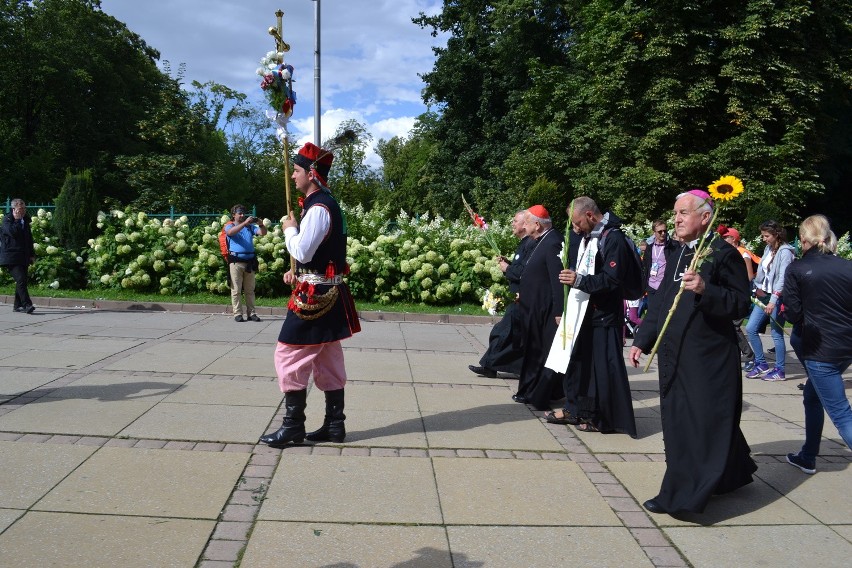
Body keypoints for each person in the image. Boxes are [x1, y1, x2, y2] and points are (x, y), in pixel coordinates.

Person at [630, 189, 756, 515]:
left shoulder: (722, 254)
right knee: (681, 421)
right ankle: (730, 473)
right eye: (675, 213)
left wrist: (705, 289)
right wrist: (642, 340)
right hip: (675, 354)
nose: (676, 218)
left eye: (684, 212)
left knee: (696, 425)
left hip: (708, 358)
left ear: (705, 217)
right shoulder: (679, 252)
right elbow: (660, 302)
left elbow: (740, 303)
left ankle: (683, 495)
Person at [259, 142, 361, 447]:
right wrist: (300, 271)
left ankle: (293, 426)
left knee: (288, 352)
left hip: (316, 296)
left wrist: (290, 229)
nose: (292, 176)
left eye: (297, 170)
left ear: (312, 174)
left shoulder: (318, 208)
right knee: (328, 357)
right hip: (327, 289)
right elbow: (317, 256)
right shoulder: (327, 204)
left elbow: (303, 248)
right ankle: (334, 425)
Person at [546, 197, 637, 437]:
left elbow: (612, 279)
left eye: (577, 223)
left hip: (604, 314)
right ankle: (577, 409)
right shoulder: (590, 236)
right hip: (585, 310)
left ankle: (605, 418)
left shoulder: (612, 237)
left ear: (589, 215)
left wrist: (579, 280)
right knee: (579, 363)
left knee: (602, 370)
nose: (575, 228)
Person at [782, 215, 852, 474]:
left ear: (803, 240)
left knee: (842, 413)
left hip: (819, 349)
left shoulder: (798, 269)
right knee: (812, 396)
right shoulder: (847, 266)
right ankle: (808, 455)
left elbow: (793, 315)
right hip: (845, 347)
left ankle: (808, 455)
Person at [468, 210, 533, 378]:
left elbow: (525, 272)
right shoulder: (524, 244)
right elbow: (520, 268)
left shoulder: (530, 244)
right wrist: (509, 264)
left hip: (523, 298)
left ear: (525, 225)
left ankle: (491, 366)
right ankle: (496, 366)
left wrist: (508, 269)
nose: (512, 223)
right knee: (514, 337)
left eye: (515, 221)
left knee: (502, 332)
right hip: (519, 298)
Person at [512, 205, 564, 410]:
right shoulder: (540, 240)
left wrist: (559, 311)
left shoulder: (552, 242)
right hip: (533, 307)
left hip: (546, 310)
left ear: (537, 224)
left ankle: (537, 393)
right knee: (533, 352)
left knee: (542, 355)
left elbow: (557, 280)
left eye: (526, 222)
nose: (524, 226)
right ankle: (529, 391)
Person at [744, 220, 795, 381]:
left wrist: (774, 300)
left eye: (766, 235)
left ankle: (780, 370)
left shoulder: (785, 252)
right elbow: (762, 271)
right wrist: (756, 287)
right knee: (751, 328)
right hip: (764, 294)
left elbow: (782, 278)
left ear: (776, 235)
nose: (764, 238)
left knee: (776, 333)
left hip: (777, 297)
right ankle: (761, 364)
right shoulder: (768, 248)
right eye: (763, 235)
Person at [721, 227, 757, 369]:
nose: (723, 240)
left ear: (734, 239)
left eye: (726, 237)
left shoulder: (743, 254)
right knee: (728, 325)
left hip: (740, 295)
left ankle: (749, 356)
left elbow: (748, 276)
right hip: (730, 293)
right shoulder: (729, 252)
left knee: (734, 326)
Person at [225, 204, 267, 322]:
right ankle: (237, 313)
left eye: (244, 213)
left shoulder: (250, 227)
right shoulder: (229, 226)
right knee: (236, 290)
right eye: (240, 213)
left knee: (250, 290)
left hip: (249, 262)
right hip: (236, 262)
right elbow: (230, 233)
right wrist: (244, 224)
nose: (243, 215)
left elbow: (263, 233)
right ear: (234, 215)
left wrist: (260, 223)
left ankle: (251, 313)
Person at [1, 198, 36, 314]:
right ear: (14, 209)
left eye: (24, 208)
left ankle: (17, 305)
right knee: (20, 280)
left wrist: (31, 254)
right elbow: (13, 233)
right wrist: (16, 220)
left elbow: (28, 239)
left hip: (23, 256)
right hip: (11, 256)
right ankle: (27, 304)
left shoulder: (25, 221)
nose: (23, 211)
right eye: (20, 209)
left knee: (22, 281)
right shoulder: (7, 220)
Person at [643, 219, 677, 301]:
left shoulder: (673, 246)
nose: (663, 233)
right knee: (652, 312)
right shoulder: (650, 247)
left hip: (665, 286)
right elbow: (645, 265)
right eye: (660, 231)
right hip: (651, 285)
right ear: (654, 232)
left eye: (665, 231)